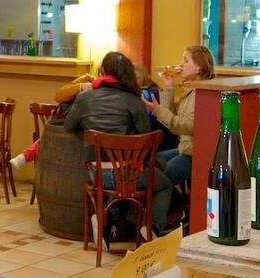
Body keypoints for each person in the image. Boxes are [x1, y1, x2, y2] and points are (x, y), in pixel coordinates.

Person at [59, 52, 175, 240]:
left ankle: (104, 218)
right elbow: (145, 137)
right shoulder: (134, 100)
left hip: (96, 172)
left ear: (103, 71)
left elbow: (68, 126)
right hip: (129, 173)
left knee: (122, 186)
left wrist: (93, 137)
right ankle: (151, 226)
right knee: (163, 185)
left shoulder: (85, 98)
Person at [145, 45, 217, 198]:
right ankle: (175, 209)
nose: (180, 64)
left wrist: (157, 110)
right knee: (151, 161)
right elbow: (170, 118)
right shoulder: (190, 88)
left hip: (195, 153)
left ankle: (169, 215)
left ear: (198, 67)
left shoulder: (201, 92)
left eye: (185, 60)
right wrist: (169, 87)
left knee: (158, 178)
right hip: (184, 148)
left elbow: (185, 126)